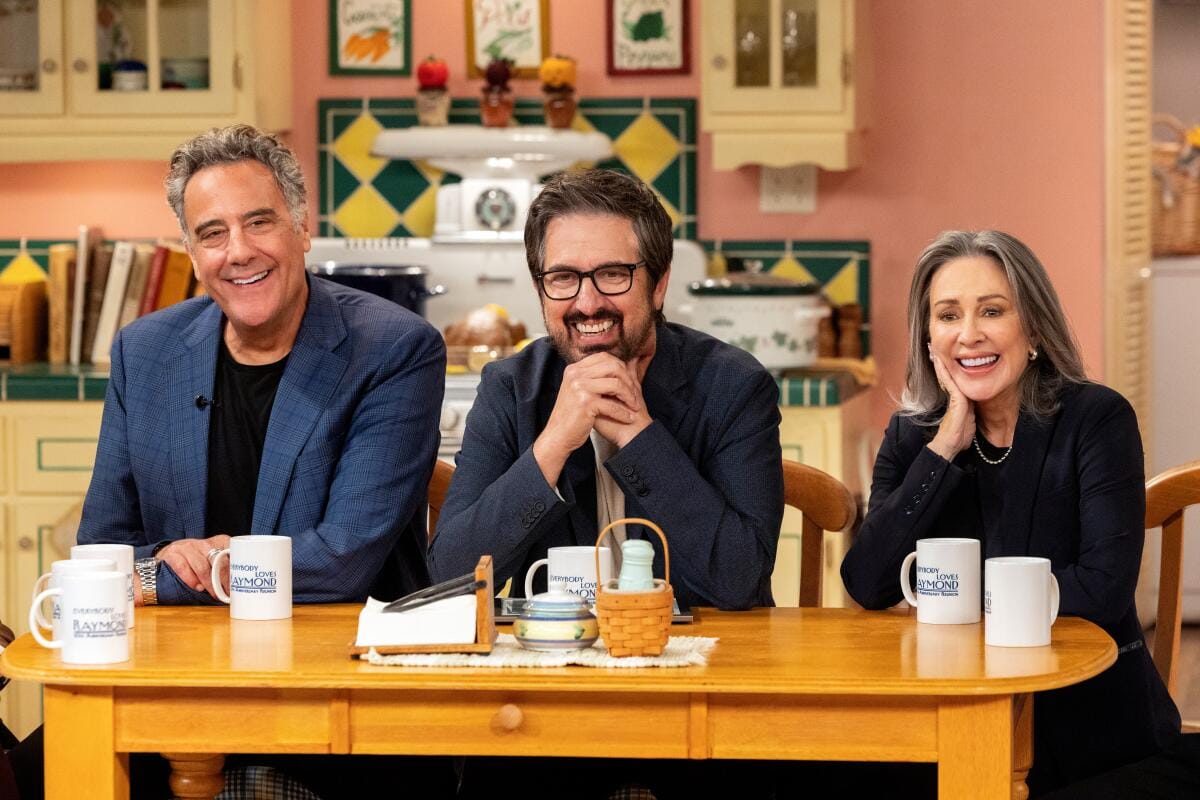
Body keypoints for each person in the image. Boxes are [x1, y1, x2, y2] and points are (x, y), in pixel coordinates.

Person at [840, 230, 1182, 796]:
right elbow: (868, 582)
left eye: (992, 311)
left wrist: (946, 596)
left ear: (1034, 329)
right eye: (948, 315)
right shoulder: (915, 436)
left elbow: (1103, 592)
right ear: (928, 337)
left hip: (1093, 730)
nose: (969, 334)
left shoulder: (1096, 419)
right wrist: (945, 445)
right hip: (951, 726)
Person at [76, 124, 445, 608]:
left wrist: (161, 578)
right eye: (212, 233)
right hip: (177, 659)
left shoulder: (394, 349)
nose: (239, 251)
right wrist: (156, 564)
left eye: (259, 222)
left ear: (303, 228)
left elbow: (342, 565)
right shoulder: (144, 352)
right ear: (191, 254)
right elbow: (100, 554)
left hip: (340, 659)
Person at [429, 168, 783, 611]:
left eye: (613, 274)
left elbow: (741, 580)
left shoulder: (734, 387)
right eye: (562, 278)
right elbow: (451, 578)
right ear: (541, 290)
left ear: (659, 285)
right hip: (551, 662)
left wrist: (639, 437)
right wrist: (552, 445)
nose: (587, 303)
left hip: (699, 666)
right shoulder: (510, 389)